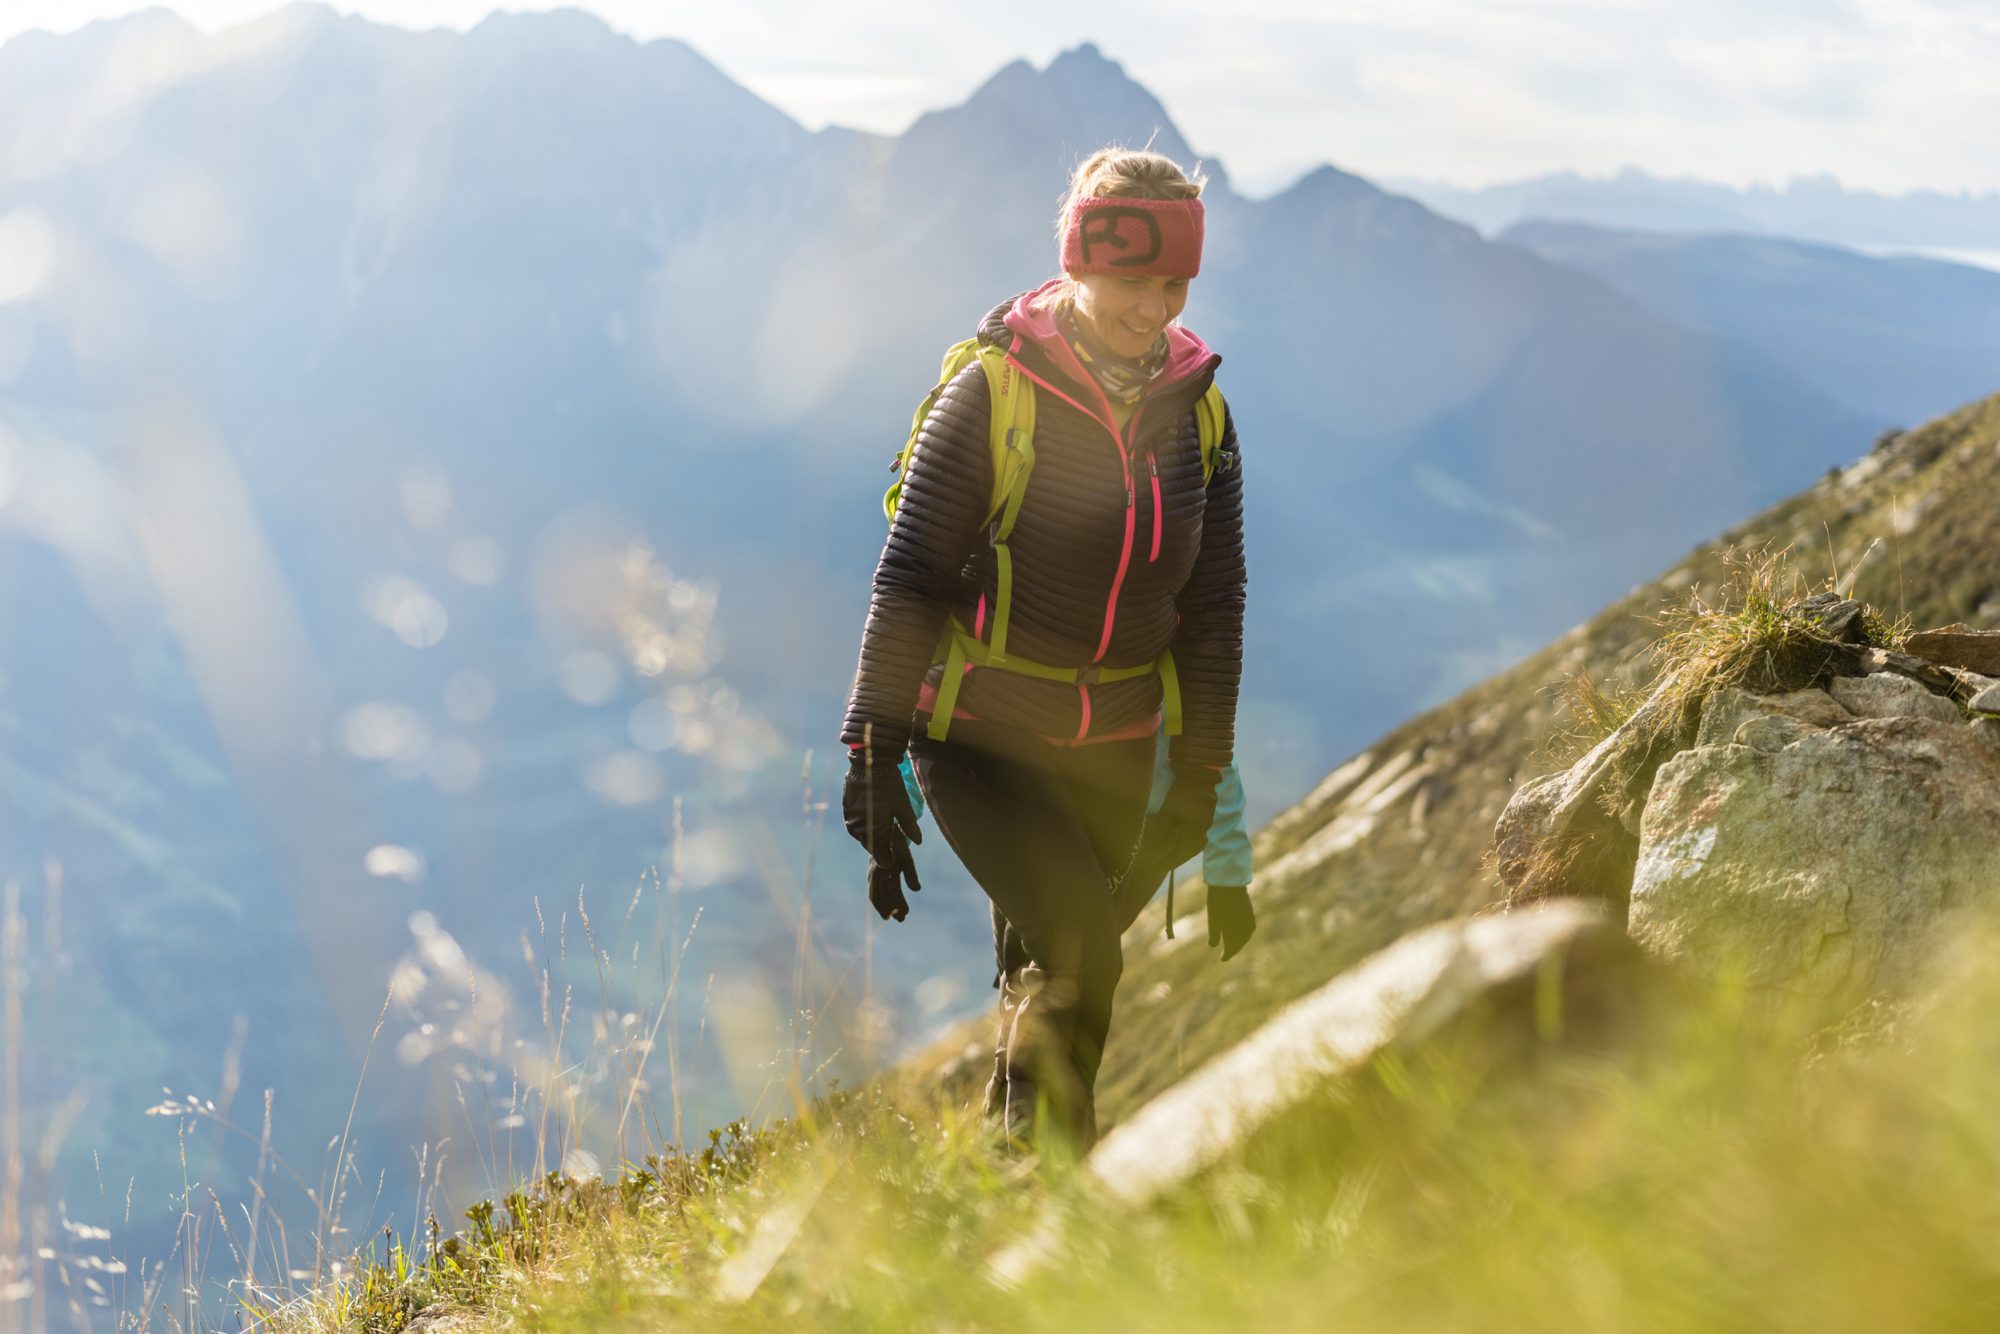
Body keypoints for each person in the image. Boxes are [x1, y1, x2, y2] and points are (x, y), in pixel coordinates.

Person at [840, 147, 1252, 1147]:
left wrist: (1197, 778)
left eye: (1172, 282)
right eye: (1129, 278)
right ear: (1076, 259)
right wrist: (871, 750)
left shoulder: (1198, 413)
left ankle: (1001, 1176)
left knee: (1047, 963)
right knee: (1080, 951)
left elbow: (1211, 600)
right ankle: (1051, 1181)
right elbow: (909, 578)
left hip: (1115, 742)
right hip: (980, 734)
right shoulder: (990, 397)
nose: (1152, 307)